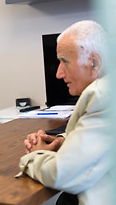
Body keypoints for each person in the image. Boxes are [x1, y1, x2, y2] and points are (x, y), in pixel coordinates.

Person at [19, 20, 113, 205]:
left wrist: (35, 155)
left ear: (94, 62)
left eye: (65, 62)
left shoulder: (102, 94)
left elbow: (61, 174)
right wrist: (61, 141)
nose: (59, 74)